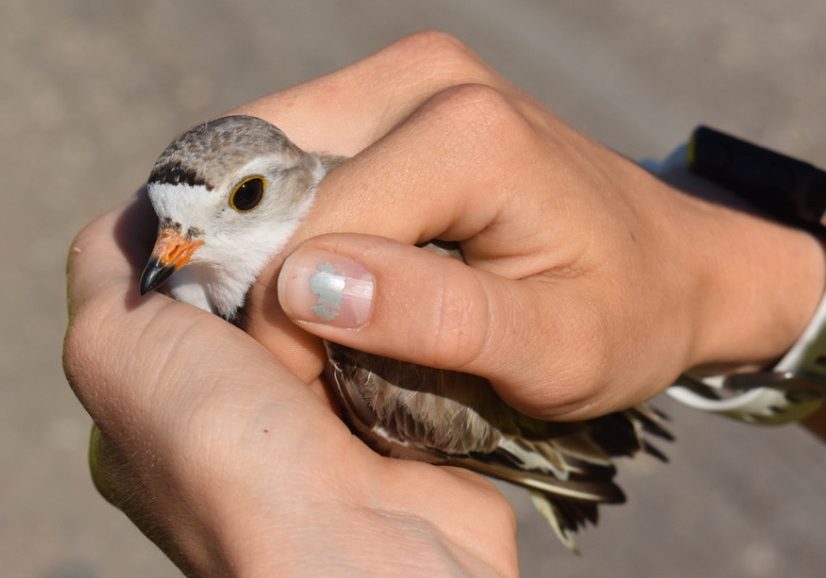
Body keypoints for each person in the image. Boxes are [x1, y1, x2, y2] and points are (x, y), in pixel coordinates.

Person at [62, 32, 825, 577]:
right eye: (169, 224)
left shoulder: (352, 318)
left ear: (291, 179)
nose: (168, 254)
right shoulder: (188, 263)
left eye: (246, 197)